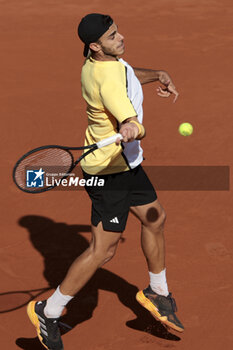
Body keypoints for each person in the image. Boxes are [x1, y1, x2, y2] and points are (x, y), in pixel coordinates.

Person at [27, 13, 184, 350]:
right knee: (103, 250)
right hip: (108, 174)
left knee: (155, 218)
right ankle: (48, 310)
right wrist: (131, 126)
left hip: (127, 165)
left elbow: (125, 73)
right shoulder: (107, 80)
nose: (121, 38)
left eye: (117, 31)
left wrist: (156, 74)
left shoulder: (98, 62)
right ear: (96, 46)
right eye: (113, 37)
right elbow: (127, 113)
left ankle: (157, 292)